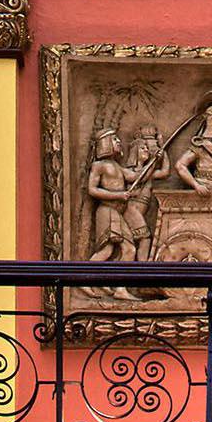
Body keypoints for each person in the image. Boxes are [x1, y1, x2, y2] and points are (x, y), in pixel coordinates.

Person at [83, 128, 136, 300]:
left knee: (129, 249)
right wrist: (118, 195)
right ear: (105, 143)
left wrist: (153, 160)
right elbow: (92, 190)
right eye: (114, 139)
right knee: (107, 250)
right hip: (107, 211)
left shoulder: (117, 166)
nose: (119, 142)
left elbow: (135, 176)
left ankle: (119, 288)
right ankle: (81, 279)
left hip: (116, 213)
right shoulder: (99, 166)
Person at [122, 125, 171, 260]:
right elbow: (140, 177)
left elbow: (165, 172)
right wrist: (154, 162)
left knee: (132, 244)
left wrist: (163, 152)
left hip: (140, 211)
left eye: (147, 148)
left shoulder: (150, 173)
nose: (147, 151)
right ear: (135, 152)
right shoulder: (128, 172)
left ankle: (139, 265)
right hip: (131, 210)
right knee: (145, 238)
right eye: (143, 148)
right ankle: (142, 266)